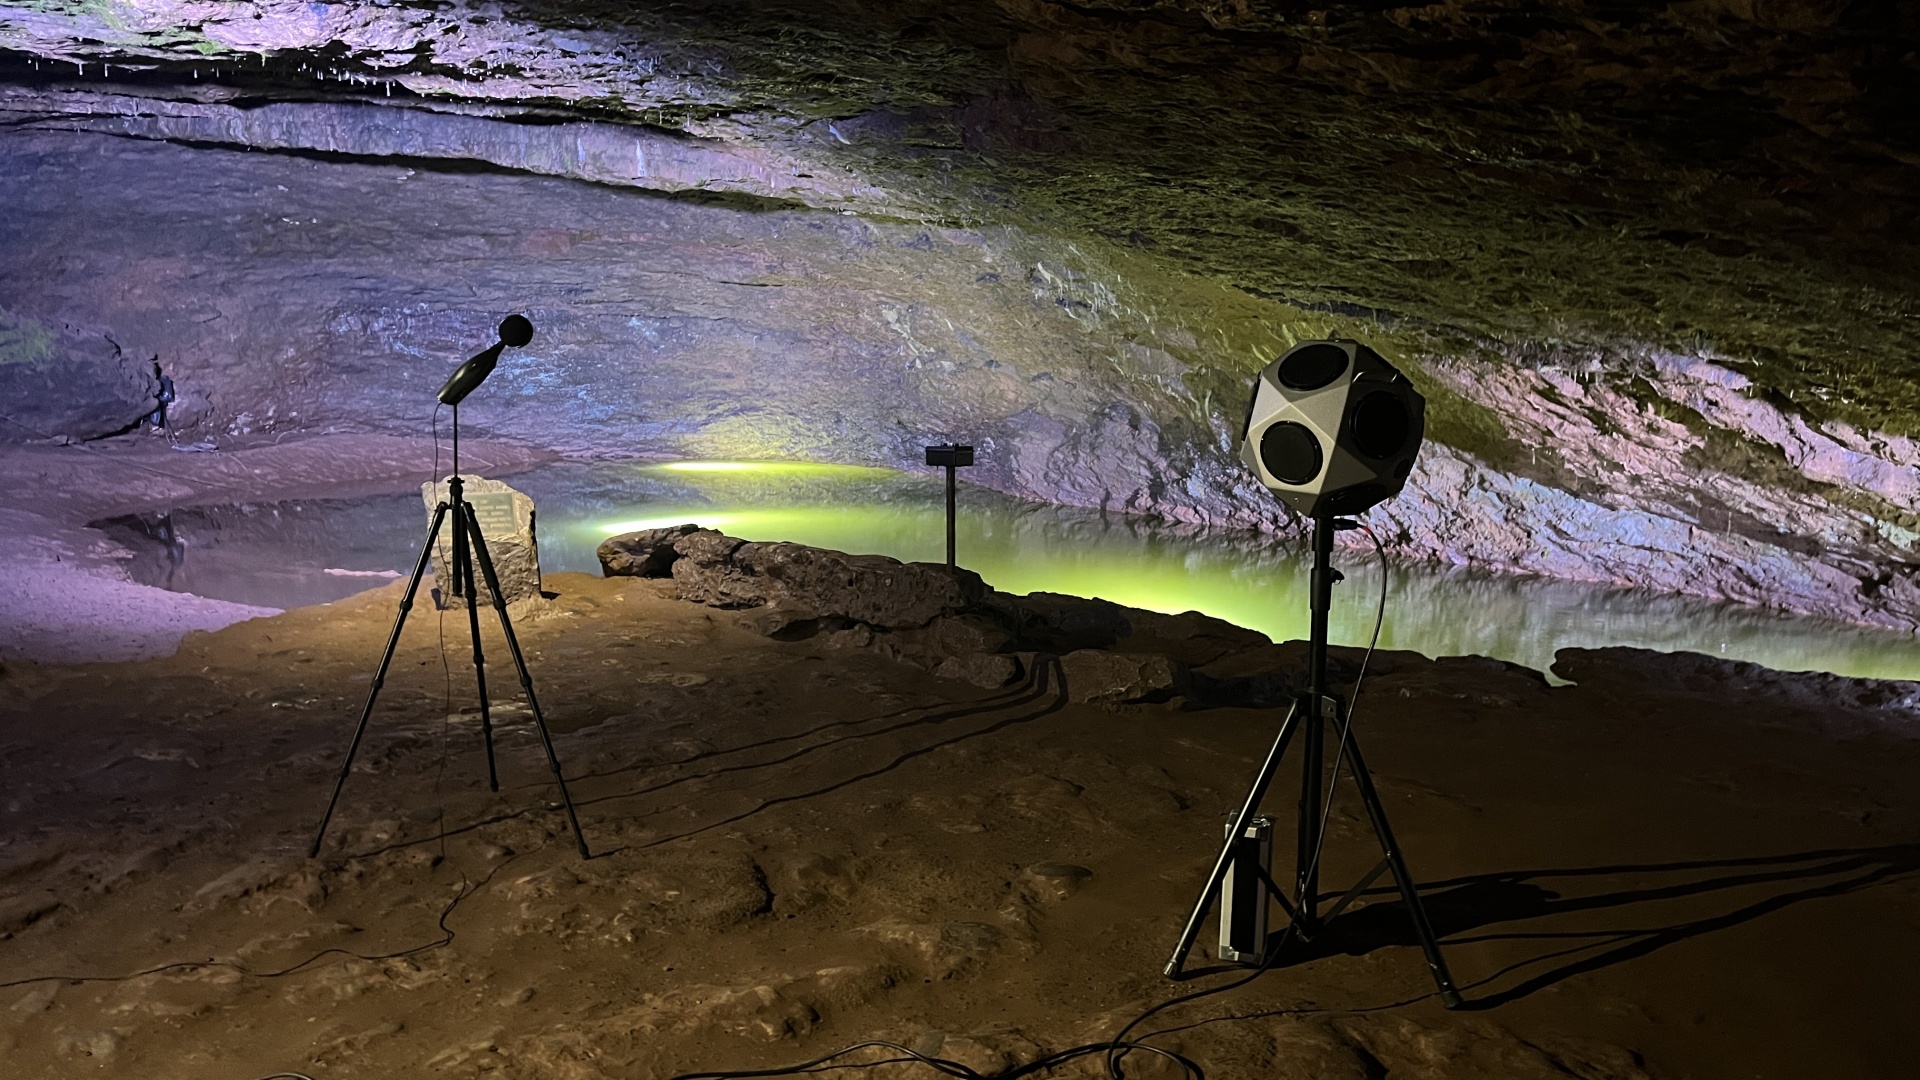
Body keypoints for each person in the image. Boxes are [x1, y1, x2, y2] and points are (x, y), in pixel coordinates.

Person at [147, 359, 176, 439]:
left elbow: (168, 396)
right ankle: (154, 427)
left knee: (155, 405)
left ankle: (155, 427)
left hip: (159, 401)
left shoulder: (164, 380)